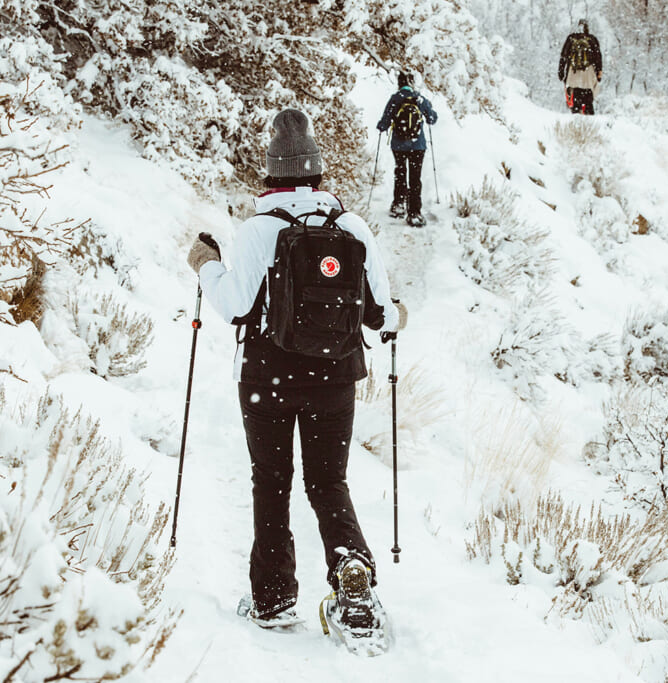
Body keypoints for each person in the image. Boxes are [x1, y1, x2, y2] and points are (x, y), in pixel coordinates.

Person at [186, 109, 407, 630]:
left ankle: (273, 598)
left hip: (268, 377)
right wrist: (401, 315)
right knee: (329, 482)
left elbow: (236, 308)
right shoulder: (350, 227)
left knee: (272, 481)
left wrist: (205, 265)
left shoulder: (258, 230)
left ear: (270, 173)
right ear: (317, 171)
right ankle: (351, 569)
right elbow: (380, 315)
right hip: (335, 378)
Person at [376, 72, 438, 227]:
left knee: (400, 172)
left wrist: (381, 126)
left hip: (399, 145)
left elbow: (385, 121)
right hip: (418, 146)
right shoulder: (419, 98)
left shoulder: (395, 98)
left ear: (399, 83)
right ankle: (414, 213)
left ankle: (398, 205)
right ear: (412, 82)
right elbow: (432, 119)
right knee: (415, 177)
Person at [558, 20, 603, 115]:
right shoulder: (592, 39)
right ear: (587, 28)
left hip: (573, 75)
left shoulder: (571, 38)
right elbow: (598, 57)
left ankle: (576, 121)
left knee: (575, 103)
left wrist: (561, 72)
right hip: (588, 75)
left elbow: (564, 56)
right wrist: (599, 73)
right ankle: (589, 121)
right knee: (588, 102)